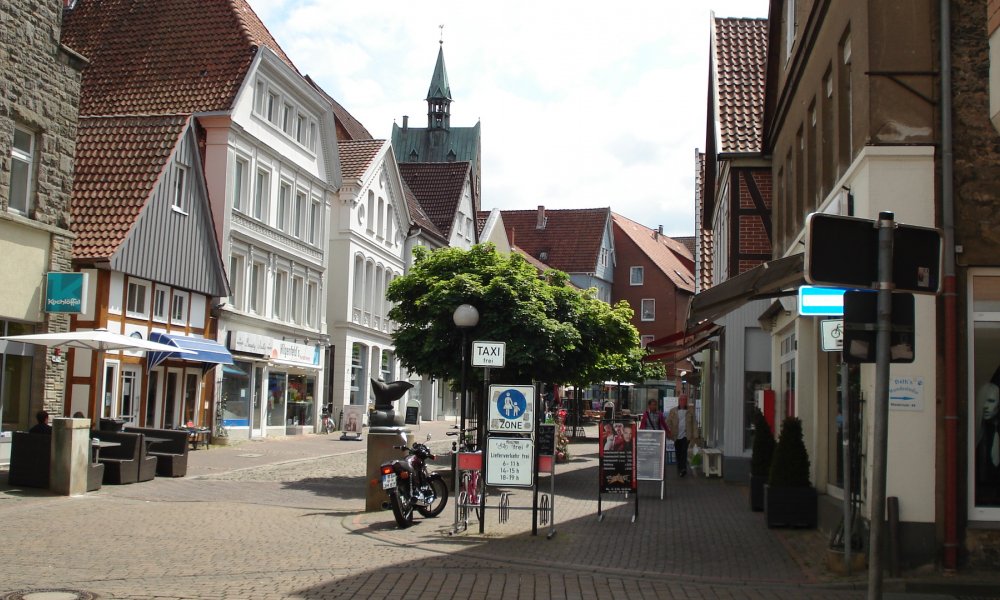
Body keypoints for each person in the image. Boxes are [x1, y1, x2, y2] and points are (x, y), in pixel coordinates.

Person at [667, 391, 700, 477]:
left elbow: (694, 424)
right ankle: (680, 467)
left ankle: (683, 468)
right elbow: (668, 422)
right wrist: (668, 432)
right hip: (676, 435)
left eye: (684, 400)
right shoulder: (673, 411)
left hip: (686, 435)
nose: (683, 401)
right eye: (681, 399)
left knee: (684, 451)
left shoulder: (690, 411)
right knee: (678, 452)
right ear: (679, 400)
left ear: (686, 401)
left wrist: (695, 435)